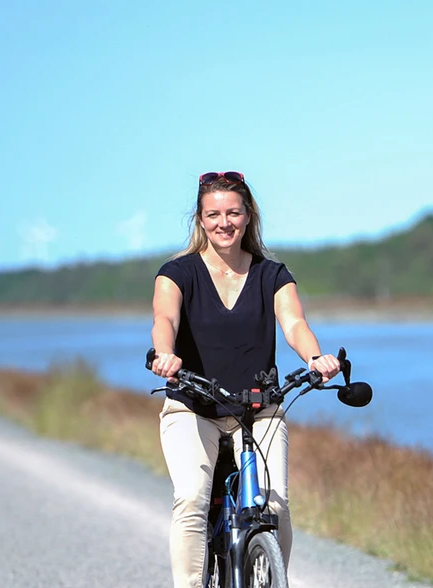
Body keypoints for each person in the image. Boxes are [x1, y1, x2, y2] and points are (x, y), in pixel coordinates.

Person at [147, 171, 341, 587]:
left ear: (248, 216)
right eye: (214, 214)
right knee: (192, 499)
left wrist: (316, 357)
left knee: (275, 503)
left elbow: (294, 324)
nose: (224, 222)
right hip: (193, 405)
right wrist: (166, 354)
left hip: (258, 407)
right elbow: (164, 317)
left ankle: (272, 578)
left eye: (233, 213)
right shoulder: (177, 272)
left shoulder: (272, 275)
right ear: (200, 220)